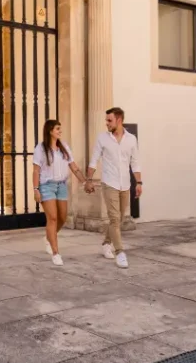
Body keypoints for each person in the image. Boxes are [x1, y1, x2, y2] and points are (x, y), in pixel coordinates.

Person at [85, 107, 142, 268]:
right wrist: (89, 180)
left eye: (109, 120)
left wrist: (139, 183)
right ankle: (120, 252)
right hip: (109, 183)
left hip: (125, 184)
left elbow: (135, 162)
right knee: (115, 218)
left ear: (119, 120)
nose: (106, 123)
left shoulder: (131, 139)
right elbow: (94, 160)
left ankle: (106, 243)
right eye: (106, 120)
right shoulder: (102, 138)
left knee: (119, 218)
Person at [33, 119, 88, 266]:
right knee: (52, 218)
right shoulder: (41, 148)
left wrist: (84, 181)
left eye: (60, 129)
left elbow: (74, 167)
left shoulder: (64, 147)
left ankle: (48, 238)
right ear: (50, 131)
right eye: (57, 129)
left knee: (63, 218)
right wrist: (35, 189)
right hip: (47, 186)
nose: (60, 131)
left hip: (62, 185)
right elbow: (36, 170)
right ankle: (56, 252)